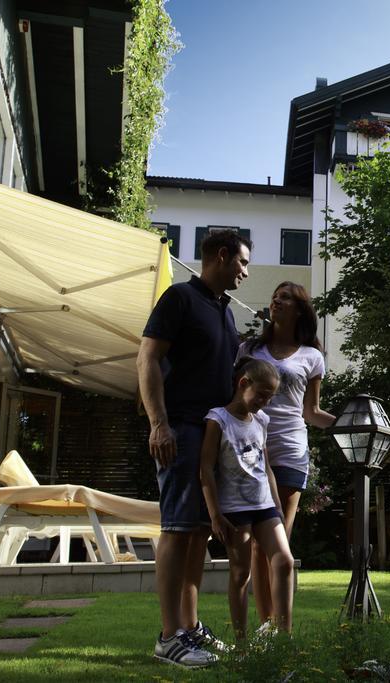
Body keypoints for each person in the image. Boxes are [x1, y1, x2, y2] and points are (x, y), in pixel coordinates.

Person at [138, 230, 250, 668]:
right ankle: (169, 637)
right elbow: (147, 358)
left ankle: (189, 626)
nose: (244, 271)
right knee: (178, 529)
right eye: (242, 263)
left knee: (199, 534)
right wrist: (158, 424)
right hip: (180, 430)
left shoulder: (223, 314)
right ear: (221, 256)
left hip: (211, 438)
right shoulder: (179, 299)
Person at [237, 281, 335, 625]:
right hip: (249, 451)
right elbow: (233, 399)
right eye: (275, 296)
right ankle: (267, 629)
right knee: (255, 547)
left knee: (279, 544)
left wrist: (350, 425)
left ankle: (280, 629)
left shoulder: (312, 356)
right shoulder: (249, 349)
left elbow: (311, 411)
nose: (276, 301)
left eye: (285, 298)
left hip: (291, 450)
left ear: (299, 309)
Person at [200, 358, 295, 639]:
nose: (265, 402)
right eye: (262, 394)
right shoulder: (218, 419)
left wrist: (277, 505)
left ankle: (283, 635)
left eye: (270, 396)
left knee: (284, 560)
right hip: (234, 510)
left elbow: (266, 467)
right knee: (241, 575)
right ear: (244, 383)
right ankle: (241, 643)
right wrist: (215, 514)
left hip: (264, 505)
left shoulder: (262, 420)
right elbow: (205, 468)